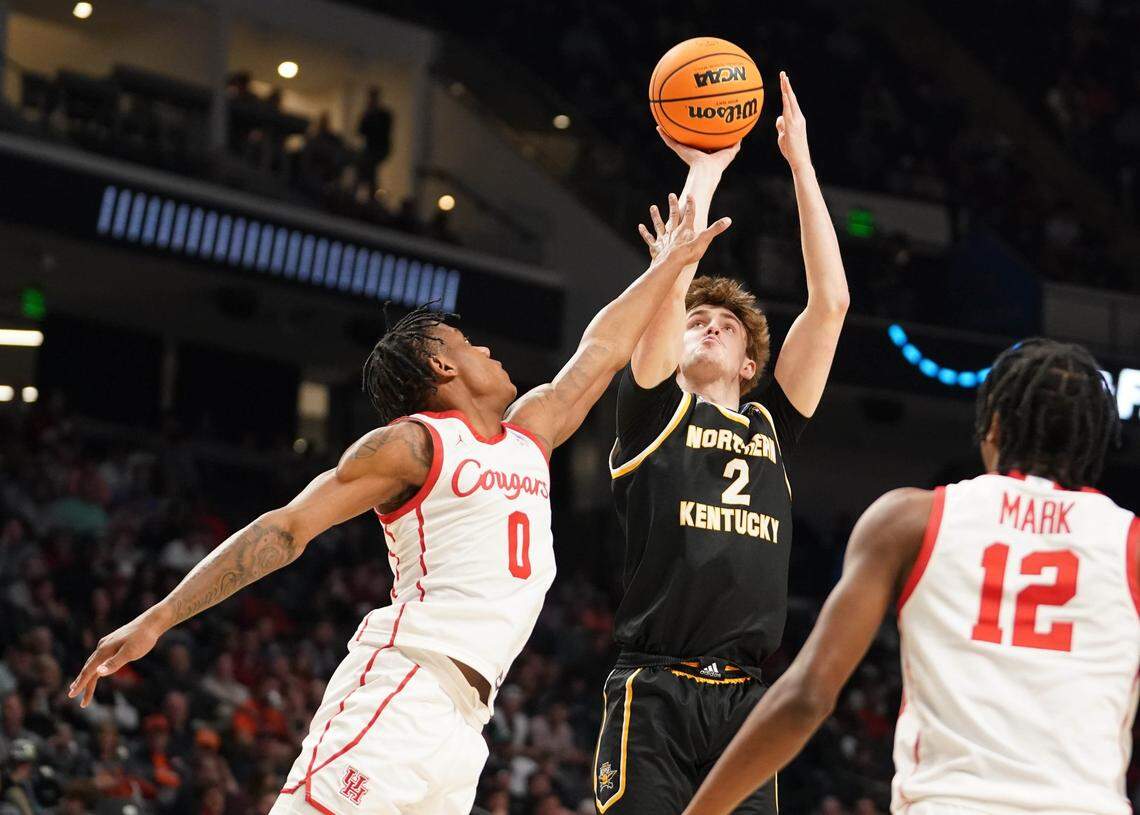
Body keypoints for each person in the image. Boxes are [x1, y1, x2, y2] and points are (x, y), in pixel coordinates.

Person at [68, 194, 731, 815]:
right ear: (441, 369)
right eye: (469, 343)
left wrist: (668, 265)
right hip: (403, 687)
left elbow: (603, 350)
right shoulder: (413, 445)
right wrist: (158, 616)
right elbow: (286, 528)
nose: (489, 348)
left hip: (465, 728)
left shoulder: (532, 431)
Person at [683, 338, 1136, 815]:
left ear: (994, 427)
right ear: (1092, 442)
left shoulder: (910, 520)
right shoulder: (1131, 545)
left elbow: (807, 696)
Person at [593, 72, 848, 815]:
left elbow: (830, 305)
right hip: (656, 687)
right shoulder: (650, 412)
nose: (707, 323)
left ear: (749, 364)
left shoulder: (770, 423)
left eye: (726, 325)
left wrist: (801, 165)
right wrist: (706, 170)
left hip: (745, 698)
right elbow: (670, 289)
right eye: (696, 321)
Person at [357, 87, 393, 201]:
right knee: (367, 169)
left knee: (368, 167)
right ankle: (371, 198)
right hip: (370, 149)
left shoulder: (384, 115)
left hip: (380, 148)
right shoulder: (368, 114)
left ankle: (371, 197)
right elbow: (360, 131)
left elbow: (383, 131)